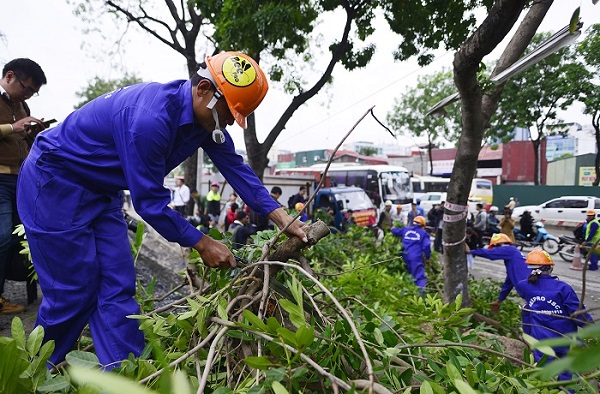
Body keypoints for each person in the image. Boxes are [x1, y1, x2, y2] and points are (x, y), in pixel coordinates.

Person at [16, 51, 308, 369]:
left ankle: (128, 371)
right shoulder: (149, 120)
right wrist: (203, 242)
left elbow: (236, 168)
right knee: (73, 290)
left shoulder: (205, 121)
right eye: (227, 115)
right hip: (54, 184)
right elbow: (150, 204)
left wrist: (282, 216)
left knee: (117, 282)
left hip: (101, 192)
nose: (227, 124)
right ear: (204, 91)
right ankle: (35, 373)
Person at [0, 58, 48, 314]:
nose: (28, 95)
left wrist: (30, 133)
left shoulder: (22, 105)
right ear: (9, 76)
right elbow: (9, 131)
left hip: (20, 180)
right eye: (27, 89)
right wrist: (12, 127)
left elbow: (19, 140)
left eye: (32, 92)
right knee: (2, 236)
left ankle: (34, 293)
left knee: (30, 235)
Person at [515, 249, 593, 381]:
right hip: (565, 339)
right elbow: (578, 313)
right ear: (550, 268)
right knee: (568, 373)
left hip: (541, 340)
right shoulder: (563, 288)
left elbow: (527, 311)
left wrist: (528, 335)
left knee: (544, 375)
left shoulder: (524, 286)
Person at [470, 233, 530, 314]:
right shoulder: (513, 259)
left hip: (530, 289)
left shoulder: (510, 250)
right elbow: (508, 283)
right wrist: (499, 300)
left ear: (499, 246)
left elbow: (490, 254)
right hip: (528, 290)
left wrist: (471, 251)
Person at [391, 216, 431, 293]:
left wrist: (392, 228)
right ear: (423, 226)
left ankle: (408, 292)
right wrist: (428, 257)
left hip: (404, 256)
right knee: (419, 277)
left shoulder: (406, 230)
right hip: (415, 258)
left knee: (408, 275)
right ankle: (421, 297)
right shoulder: (424, 233)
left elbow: (395, 231)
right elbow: (426, 246)